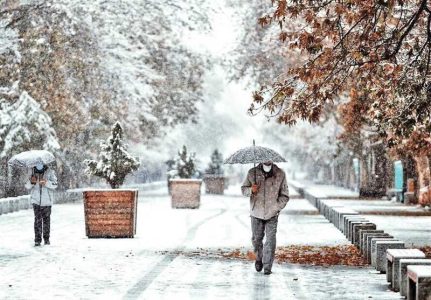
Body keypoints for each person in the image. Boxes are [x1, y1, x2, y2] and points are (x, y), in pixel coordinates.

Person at [241, 160, 289, 275]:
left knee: (270, 240)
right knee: (256, 239)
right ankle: (259, 258)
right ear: (261, 160)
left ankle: (267, 266)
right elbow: (243, 189)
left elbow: (285, 195)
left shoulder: (280, 174)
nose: (267, 161)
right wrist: (251, 190)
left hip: (272, 213)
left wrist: (277, 207)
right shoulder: (252, 173)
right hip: (256, 212)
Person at [25, 162, 57, 246]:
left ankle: (46, 239)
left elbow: (55, 184)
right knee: (37, 221)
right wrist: (32, 182)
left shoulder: (50, 171)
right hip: (36, 201)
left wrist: (46, 183)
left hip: (47, 201)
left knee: (46, 221)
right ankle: (37, 240)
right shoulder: (31, 171)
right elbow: (27, 185)